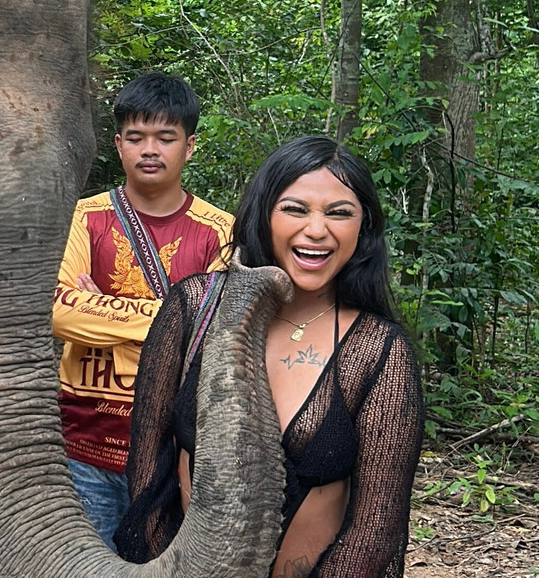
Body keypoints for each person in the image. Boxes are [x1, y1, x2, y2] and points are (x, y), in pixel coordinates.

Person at [115, 135, 424, 577]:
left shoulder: (378, 350)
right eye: (295, 209)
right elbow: (148, 467)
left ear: (364, 227)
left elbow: (376, 529)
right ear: (264, 214)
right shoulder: (194, 309)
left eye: (339, 213)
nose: (316, 230)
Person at [52, 71, 233, 549]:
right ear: (118, 145)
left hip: (174, 450)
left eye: (165, 138)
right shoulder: (85, 218)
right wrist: (175, 319)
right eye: (136, 137)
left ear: (189, 146)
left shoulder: (220, 231)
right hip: (86, 442)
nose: (149, 149)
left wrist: (99, 311)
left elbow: (216, 330)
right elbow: (59, 310)